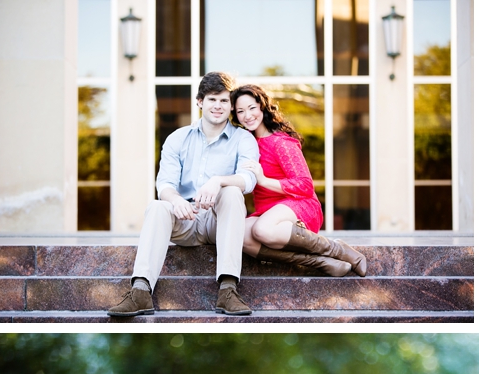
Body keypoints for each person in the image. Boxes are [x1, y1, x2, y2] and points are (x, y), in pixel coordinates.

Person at [108, 72, 258, 317]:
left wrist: (218, 181)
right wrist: (176, 200)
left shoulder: (243, 139)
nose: (218, 106)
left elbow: (248, 179)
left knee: (232, 192)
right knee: (157, 206)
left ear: (231, 105)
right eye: (212, 99)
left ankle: (228, 289)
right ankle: (140, 291)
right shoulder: (178, 138)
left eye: (224, 100)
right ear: (200, 101)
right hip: (185, 220)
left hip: (218, 222)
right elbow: (165, 184)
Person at [232, 85, 368, 278]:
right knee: (240, 235)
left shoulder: (281, 142)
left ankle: (337, 249)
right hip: (268, 212)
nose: (247, 115)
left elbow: (305, 185)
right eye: (240, 111)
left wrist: (264, 180)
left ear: (262, 107)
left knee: (262, 229)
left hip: (298, 205)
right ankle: (320, 262)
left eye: (252, 108)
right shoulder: (246, 144)